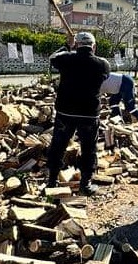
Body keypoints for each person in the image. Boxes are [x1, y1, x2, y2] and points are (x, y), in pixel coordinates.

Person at [46, 31, 110, 196]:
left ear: (76, 45)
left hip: (65, 112)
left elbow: (52, 57)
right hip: (89, 114)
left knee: (58, 145)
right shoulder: (102, 64)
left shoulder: (65, 59)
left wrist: (68, 46)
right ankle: (85, 184)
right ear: (94, 47)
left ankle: (52, 181)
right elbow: (104, 76)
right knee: (89, 148)